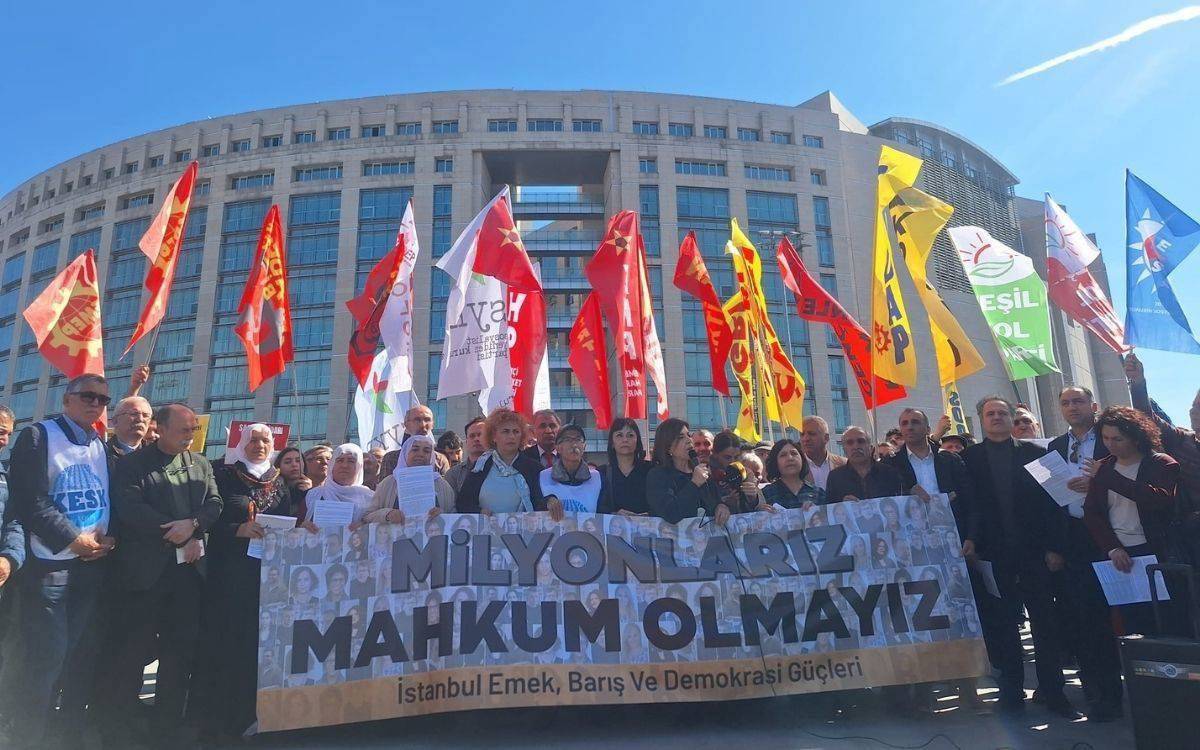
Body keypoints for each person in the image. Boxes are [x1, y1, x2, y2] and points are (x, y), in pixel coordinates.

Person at [0, 374, 117, 746]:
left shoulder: (98, 443)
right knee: (43, 660)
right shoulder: (39, 436)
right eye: (87, 396)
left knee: (69, 656)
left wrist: (104, 537)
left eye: (102, 399)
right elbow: (30, 500)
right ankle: (26, 737)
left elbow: (101, 497)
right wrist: (72, 538)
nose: (95, 404)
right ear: (66, 400)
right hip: (50, 565)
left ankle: (55, 734)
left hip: (89, 566)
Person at [107, 403, 221, 744]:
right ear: (160, 428)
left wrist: (196, 526)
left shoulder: (200, 463)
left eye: (193, 430)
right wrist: (176, 533)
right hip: (146, 574)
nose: (190, 435)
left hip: (188, 575)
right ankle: (122, 726)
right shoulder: (132, 465)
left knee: (179, 652)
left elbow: (213, 502)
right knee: (133, 652)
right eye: (184, 430)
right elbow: (130, 507)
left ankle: (167, 726)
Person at [961, 395, 1077, 718]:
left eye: (1002, 413)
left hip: (1036, 555)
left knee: (1045, 626)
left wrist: (1056, 548)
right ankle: (1011, 693)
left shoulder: (1040, 455)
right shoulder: (968, 459)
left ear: (1012, 418)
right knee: (1003, 627)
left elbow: (1060, 504)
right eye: (990, 413)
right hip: (993, 556)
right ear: (981, 420)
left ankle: (1054, 693)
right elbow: (969, 507)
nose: (996, 417)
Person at [193, 422, 309, 741]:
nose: (259, 445)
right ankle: (218, 723)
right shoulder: (225, 475)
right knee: (225, 645)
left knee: (257, 649)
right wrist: (237, 530)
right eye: (253, 439)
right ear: (241, 443)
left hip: (267, 577)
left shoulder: (280, 483)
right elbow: (209, 520)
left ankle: (252, 717)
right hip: (229, 576)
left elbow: (290, 522)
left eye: (265, 440)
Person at [881, 408, 976, 713]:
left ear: (926, 427)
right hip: (911, 554)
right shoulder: (891, 465)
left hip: (952, 549)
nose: (909, 427)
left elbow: (971, 500)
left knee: (958, 619)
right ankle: (923, 695)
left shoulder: (949, 459)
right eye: (904, 423)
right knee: (919, 620)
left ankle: (968, 689)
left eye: (915, 422)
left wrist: (971, 537)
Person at [1046, 386, 1123, 720]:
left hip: (1110, 537)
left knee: (1117, 619)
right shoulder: (1054, 447)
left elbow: (1129, 475)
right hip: (1072, 542)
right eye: (1065, 403)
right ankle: (1097, 693)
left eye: (1078, 401)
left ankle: (1123, 692)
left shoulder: (1111, 439)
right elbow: (1048, 501)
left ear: (1093, 405)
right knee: (1083, 620)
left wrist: (1096, 484)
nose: (1072, 407)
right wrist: (1053, 546)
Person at [1084, 406, 1180, 637]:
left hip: (1156, 551)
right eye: (1105, 438)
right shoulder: (1105, 465)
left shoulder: (1161, 463)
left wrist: (1108, 477)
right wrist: (1112, 548)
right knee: (1131, 624)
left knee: (1166, 622)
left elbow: (1157, 499)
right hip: (1118, 553)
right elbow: (1092, 512)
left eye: (1118, 438)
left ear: (1136, 437)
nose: (1110, 444)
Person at [1124, 353, 1200, 561]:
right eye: (1193, 405)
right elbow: (1147, 418)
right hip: (1191, 541)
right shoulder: (1182, 440)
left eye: (1199, 407)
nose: (1193, 411)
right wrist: (1138, 382)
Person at [457, 409, 547, 515]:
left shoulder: (534, 468)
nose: (511, 436)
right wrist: (479, 512)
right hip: (486, 529)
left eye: (516, 432)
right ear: (493, 436)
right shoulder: (480, 466)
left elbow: (542, 502)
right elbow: (463, 503)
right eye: (506, 431)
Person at [645, 418, 727, 524]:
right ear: (668, 447)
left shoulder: (700, 471)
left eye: (688, 435)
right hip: (672, 539)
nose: (689, 440)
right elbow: (670, 514)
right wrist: (694, 484)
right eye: (680, 437)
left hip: (705, 539)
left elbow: (716, 502)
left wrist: (722, 506)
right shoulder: (657, 476)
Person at [364, 434, 455, 524]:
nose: (420, 454)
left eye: (426, 451)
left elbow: (455, 516)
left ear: (431, 457)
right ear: (405, 453)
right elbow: (367, 518)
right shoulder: (389, 483)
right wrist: (387, 515)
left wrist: (442, 515)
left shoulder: (442, 485)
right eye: (415, 449)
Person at [303, 444, 376, 526]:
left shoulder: (371, 498)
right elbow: (297, 527)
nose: (344, 465)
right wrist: (304, 526)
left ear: (359, 466)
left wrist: (364, 527)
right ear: (332, 465)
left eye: (351, 461)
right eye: (340, 460)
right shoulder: (314, 494)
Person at [826, 427, 904, 502]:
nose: (856, 446)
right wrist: (843, 506)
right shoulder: (835, 477)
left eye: (861, 441)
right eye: (850, 442)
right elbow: (830, 510)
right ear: (844, 449)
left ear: (871, 448)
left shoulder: (889, 473)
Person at [539, 424, 600, 513]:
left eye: (578, 440)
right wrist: (547, 501)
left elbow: (604, 512)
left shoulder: (597, 477)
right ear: (558, 448)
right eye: (568, 440)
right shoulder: (543, 476)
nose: (574, 444)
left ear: (584, 446)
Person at [597, 418, 653, 516]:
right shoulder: (602, 473)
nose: (625, 440)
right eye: (619, 435)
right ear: (612, 443)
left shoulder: (651, 470)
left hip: (646, 528)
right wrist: (614, 514)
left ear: (637, 441)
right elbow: (597, 508)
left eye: (630, 435)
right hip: (616, 530)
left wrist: (650, 514)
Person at [708, 430, 767, 513]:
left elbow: (760, 506)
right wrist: (723, 504)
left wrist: (753, 498)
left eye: (736, 457)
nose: (732, 461)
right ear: (715, 455)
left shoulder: (746, 473)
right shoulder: (706, 475)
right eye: (727, 457)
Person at [761, 439, 824, 508]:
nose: (790, 458)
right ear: (775, 462)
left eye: (794, 453)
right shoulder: (766, 494)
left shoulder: (818, 494)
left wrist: (818, 512)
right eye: (783, 455)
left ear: (802, 459)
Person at [0, 405, 21, 602]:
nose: (5, 440)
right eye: (1, 432)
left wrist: (10, 558)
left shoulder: (5, 477)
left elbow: (13, 520)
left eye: (8, 434)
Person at [445, 417, 489, 495]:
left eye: (480, 435)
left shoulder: (500, 470)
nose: (476, 439)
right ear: (466, 441)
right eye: (472, 436)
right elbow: (450, 504)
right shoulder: (453, 474)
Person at [800, 416, 845, 491]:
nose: (806, 439)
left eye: (812, 434)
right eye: (802, 434)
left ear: (826, 438)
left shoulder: (843, 464)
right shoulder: (796, 468)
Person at [402, 406, 451, 475]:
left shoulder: (440, 460)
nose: (423, 425)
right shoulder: (392, 459)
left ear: (433, 424)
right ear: (406, 424)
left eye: (427, 420)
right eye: (417, 420)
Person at [107, 395, 153, 460]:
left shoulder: (156, 454)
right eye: (134, 414)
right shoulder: (101, 453)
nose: (140, 419)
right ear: (115, 421)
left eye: (145, 415)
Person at [274, 445, 312, 514]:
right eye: (287, 462)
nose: (294, 464)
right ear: (278, 466)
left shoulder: (314, 491)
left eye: (298, 461)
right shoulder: (272, 491)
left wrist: (309, 492)